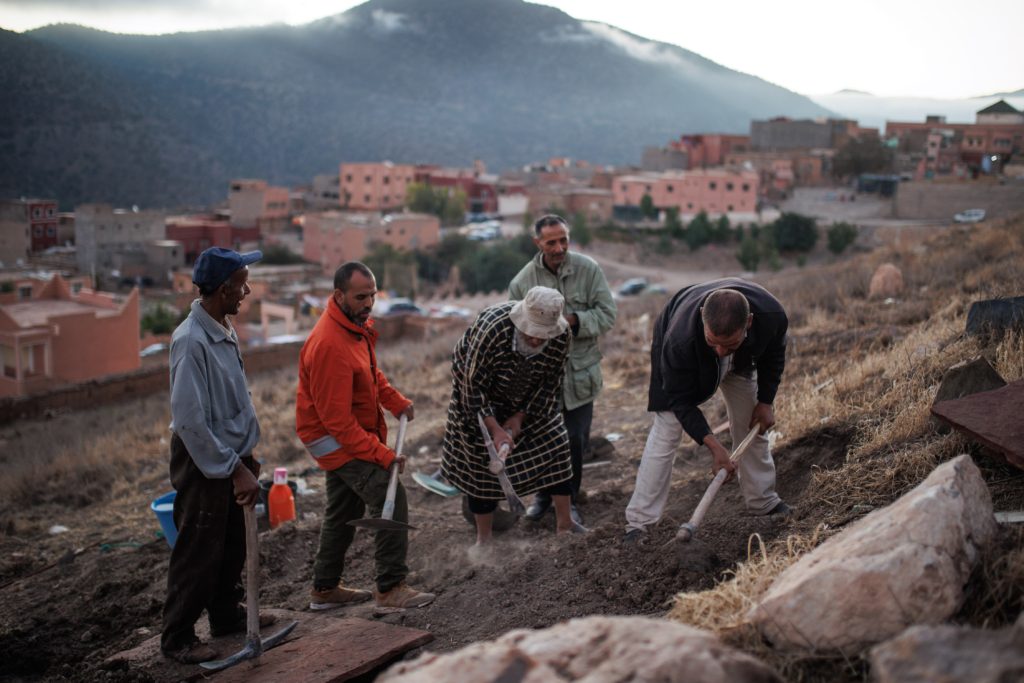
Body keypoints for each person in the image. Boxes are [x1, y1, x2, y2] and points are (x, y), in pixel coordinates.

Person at [296, 262, 434, 611]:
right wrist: (383, 456)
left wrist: (395, 402)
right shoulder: (329, 344)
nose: (369, 302)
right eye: (361, 297)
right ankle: (390, 588)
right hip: (335, 439)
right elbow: (338, 423)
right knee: (391, 494)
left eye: (373, 294)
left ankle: (324, 590)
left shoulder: (353, 327)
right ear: (339, 295)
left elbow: (371, 375)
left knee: (343, 509)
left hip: (345, 434)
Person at [162, 246, 274, 664]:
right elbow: (191, 422)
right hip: (203, 458)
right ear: (225, 288)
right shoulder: (190, 342)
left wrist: (245, 454)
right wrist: (231, 468)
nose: (247, 291)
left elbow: (229, 403)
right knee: (200, 546)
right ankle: (177, 638)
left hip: (230, 455)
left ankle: (226, 616)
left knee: (230, 543)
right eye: (243, 283)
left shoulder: (222, 327)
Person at [624, 278, 791, 543]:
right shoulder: (679, 340)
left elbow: (773, 356)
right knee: (667, 429)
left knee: (751, 423)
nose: (720, 351)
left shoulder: (771, 316)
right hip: (683, 345)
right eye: (713, 342)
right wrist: (714, 447)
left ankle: (763, 501)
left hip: (743, 361)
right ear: (703, 319)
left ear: (749, 323)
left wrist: (766, 401)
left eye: (729, 345)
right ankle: (639, 523)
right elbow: (679, 400)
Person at [442, 286, 585, 545]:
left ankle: (565, 524)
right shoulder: (492, 329)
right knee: (481, 468)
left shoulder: (561, 336)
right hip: (477, 400)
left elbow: (550, 384)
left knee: (556, 443)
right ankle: (483, 540)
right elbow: (472, 386)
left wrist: (519, 418)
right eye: (531, 333)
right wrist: (495, 429)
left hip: (527, 401)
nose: (535, 340)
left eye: (542, 336)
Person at [509, 214, 616, 526]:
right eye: (551, 242)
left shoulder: (588, 269)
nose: (559, 247)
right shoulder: (522, 282)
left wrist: (572, 321)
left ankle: (568, 501)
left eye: (563, 240)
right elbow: (515, 333)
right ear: (537, 243)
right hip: (544, 380)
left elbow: (608, 315)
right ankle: (544, 497)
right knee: (545, 440)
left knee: (575, 440)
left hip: (582, 376)